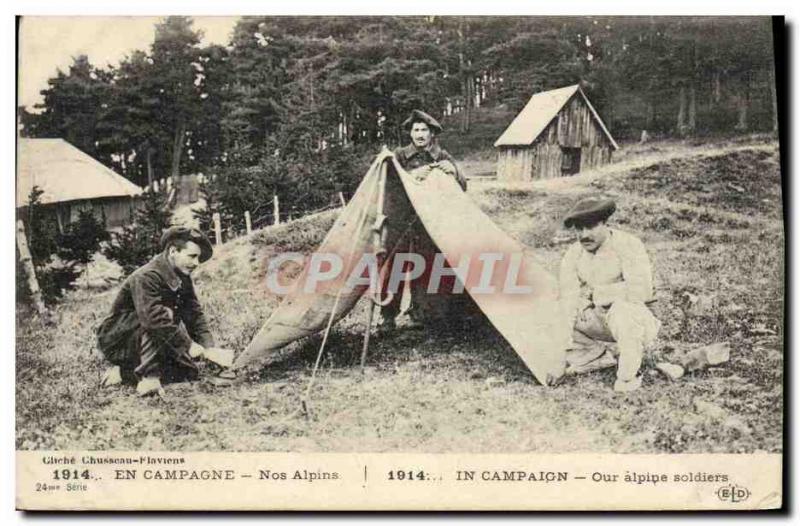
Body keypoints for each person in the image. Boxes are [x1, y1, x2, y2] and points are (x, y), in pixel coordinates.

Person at [96, 226, 233, 396]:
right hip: (120, 341)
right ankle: (149, 377)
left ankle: (124, 373)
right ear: (173, 251)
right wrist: (189, 345)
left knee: (188, 372)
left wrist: (209, 348)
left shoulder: (182, 276)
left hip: (150, 337)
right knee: (164, 314)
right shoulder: (146, 276)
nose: (196, 263)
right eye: (192, 256)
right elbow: (153, 320)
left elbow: (194, 313)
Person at [558, 197, 661, 392]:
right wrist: (558, 363)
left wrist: (595, 296)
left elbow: (640, 291)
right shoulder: (574, 253)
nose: (584, 235)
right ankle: (595, 357)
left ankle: (628, 377)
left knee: (623, 311)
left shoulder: (628, 245)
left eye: (590, 227)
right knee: (560, 311)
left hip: (639, 319)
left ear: (605, 224)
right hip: (602, 319)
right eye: (579, 229)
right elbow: (568, 296)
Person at [378, 110, 467, 333]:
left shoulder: (442, 156)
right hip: (401, 221)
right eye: (415, 130)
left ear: (432, 133)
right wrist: (412, 176)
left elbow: (462, 187)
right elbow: (387, 184)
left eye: (424, 130)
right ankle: (388, 317)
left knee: (426, 267)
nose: (419, 134)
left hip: (429, 224)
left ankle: (421, 314)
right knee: (395, 268)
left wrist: (454, 173)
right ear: (410, 133)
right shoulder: (398, 156)